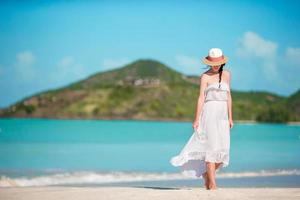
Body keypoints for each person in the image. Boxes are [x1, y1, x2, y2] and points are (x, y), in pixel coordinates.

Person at [170, 47, 234, 190]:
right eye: (213, 64)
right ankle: (212, 184)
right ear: (209, 63)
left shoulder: (227, 75)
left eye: (218, 63)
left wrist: (230, 117)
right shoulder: (205, 76)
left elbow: (229, 96)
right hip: (209, 113)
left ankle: (206, 175)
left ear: (222, 62)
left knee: (223, 151)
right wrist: (196, 119)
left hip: (223, 115)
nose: (216, 66)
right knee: (210, 149)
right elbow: (201, 98)